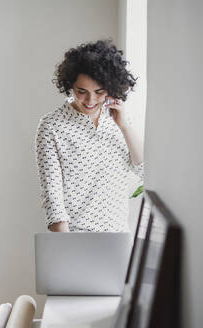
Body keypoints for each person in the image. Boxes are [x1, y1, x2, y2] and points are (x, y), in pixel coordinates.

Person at [35, 40, 144, 232]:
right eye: (81, 91)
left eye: (99, 92)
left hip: (117, 236)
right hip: (74, 236)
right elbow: (52, 196)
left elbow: (145, 171)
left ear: (111, 88)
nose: (91, 100)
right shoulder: (52, 126)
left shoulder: (119, 121)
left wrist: (124, 126)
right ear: (70, 85)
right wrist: (65, 246)